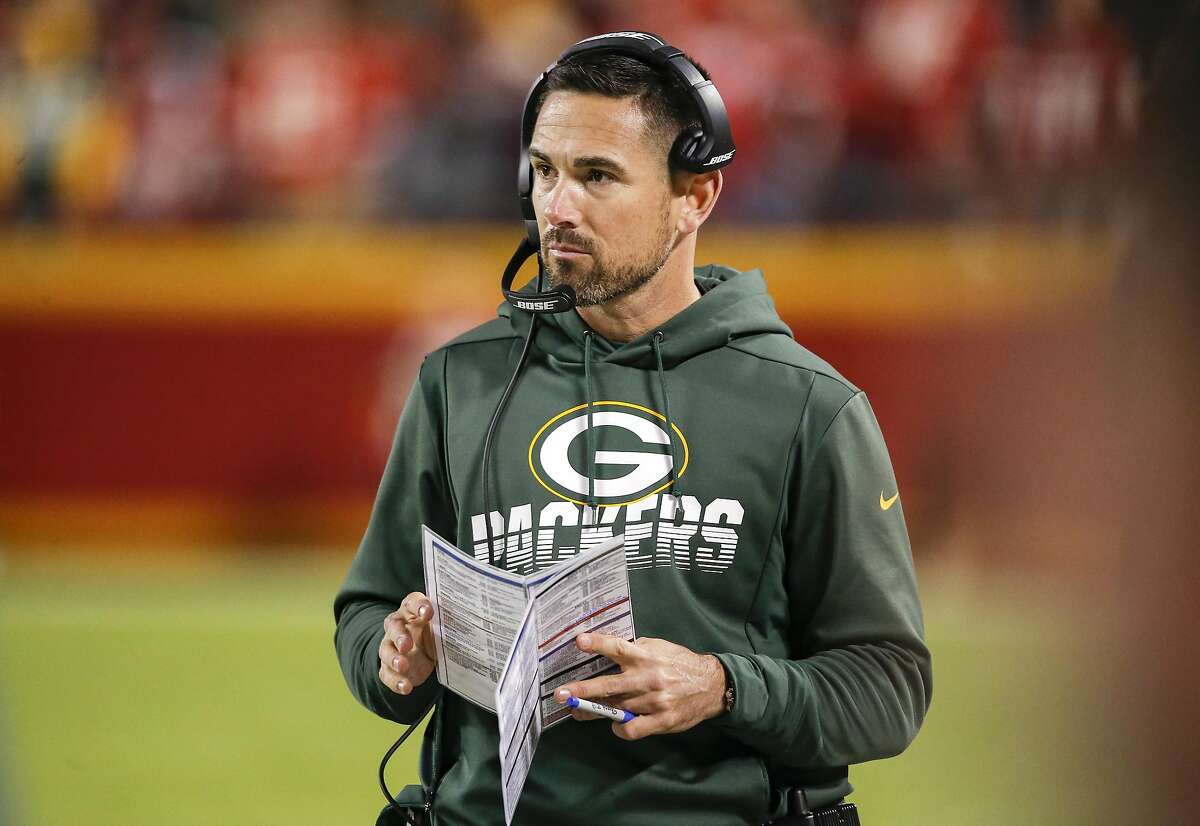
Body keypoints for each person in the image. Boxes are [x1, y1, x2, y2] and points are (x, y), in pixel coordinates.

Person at [334, 33, 932, 826]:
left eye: (598, 176)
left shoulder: (808, 406)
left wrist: (721, 687)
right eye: (544, 171)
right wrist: (394, 656)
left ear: (696, 197)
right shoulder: (458, 384)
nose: (559, 207)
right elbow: (368, 608)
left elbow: (889, 688)